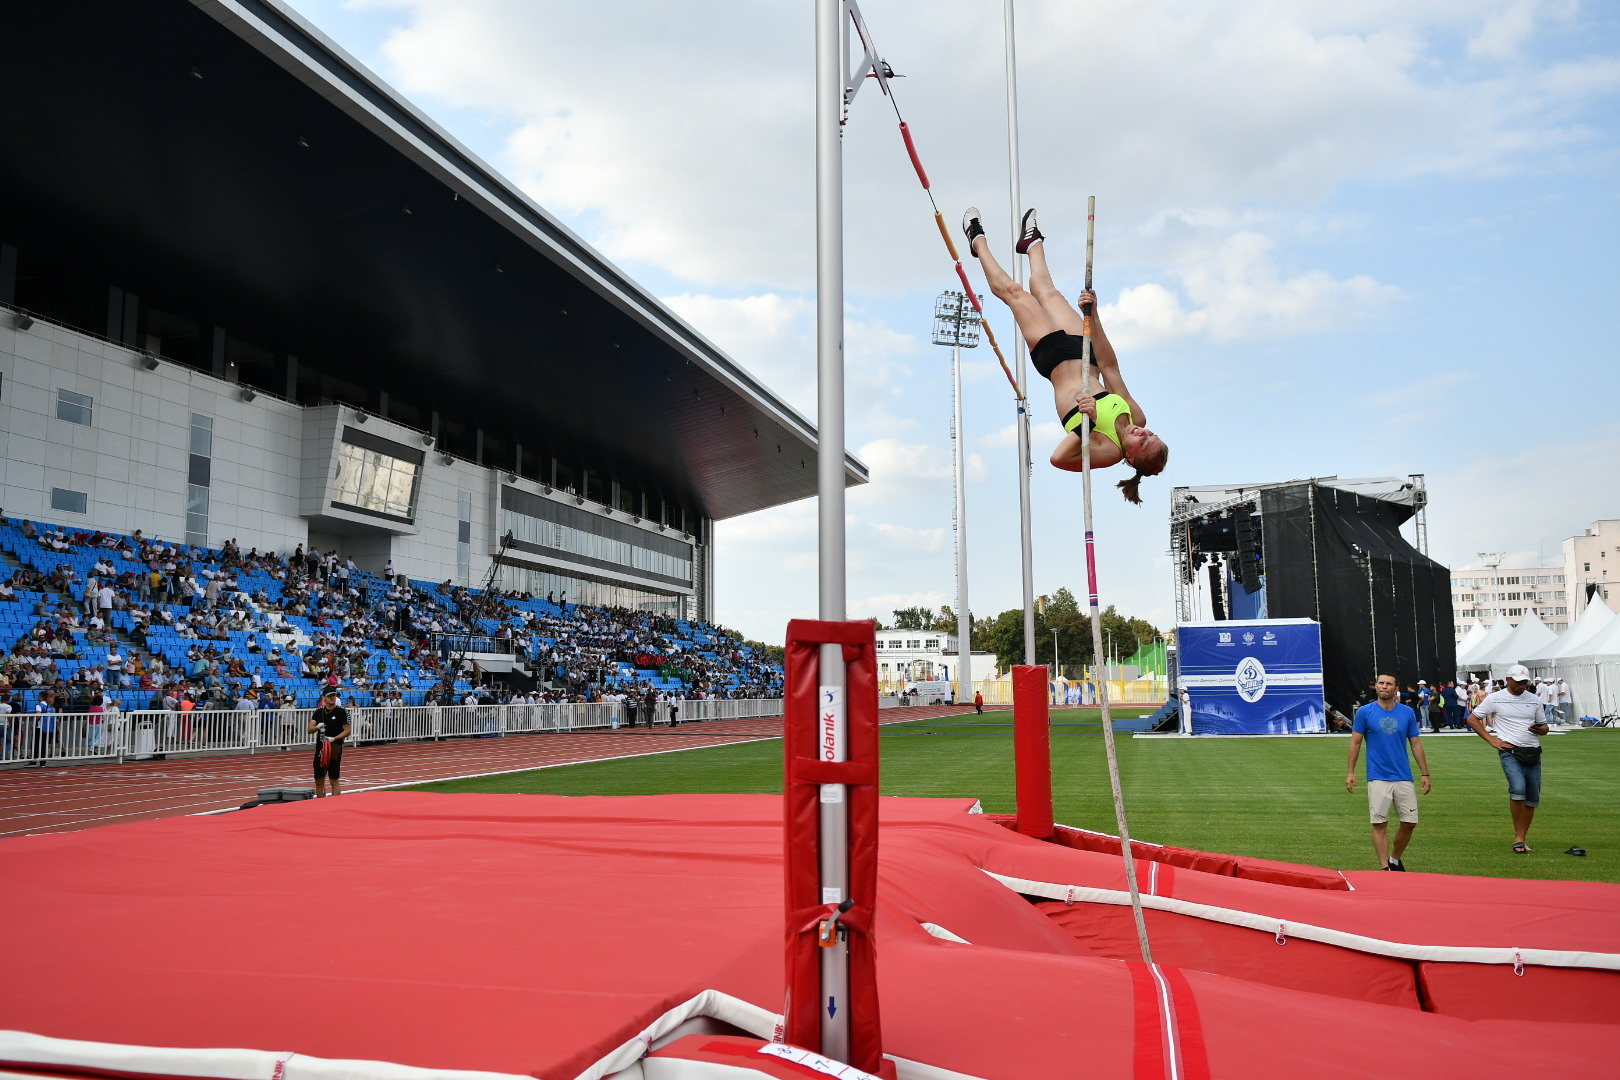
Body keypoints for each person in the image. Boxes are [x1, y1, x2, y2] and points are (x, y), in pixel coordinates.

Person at [962, 207, 1168, 503]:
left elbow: (1058, 458)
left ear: (1132, 458)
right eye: (1151, 434)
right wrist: (1093, 317)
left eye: (1142, 441)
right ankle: (1032, 243)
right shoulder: (1137, 416)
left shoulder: (1109, 452)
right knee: (1048, 291)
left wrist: (1090, 424)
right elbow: (1110, 367)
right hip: (1087, 355)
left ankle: (977, 240)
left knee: (1014, 292)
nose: (1143, 432)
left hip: (1054, 357)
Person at [1346, 674, 1431, 870]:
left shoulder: (1407, 713)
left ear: (1396, 688)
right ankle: (1385, 868)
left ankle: (1395, 859)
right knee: (1379, 824)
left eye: (1389, 684)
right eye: (1381, 683)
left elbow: (1416, 744)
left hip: (1403, 775)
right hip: (1377, 776)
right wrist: (1350, 772)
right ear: (1376, 686)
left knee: (1409, 822)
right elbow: (1355, 743)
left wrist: (1425, 773)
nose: (1384, 686)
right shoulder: (1365, 712)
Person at [1466, 663, 1548, 854]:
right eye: (1518, 682)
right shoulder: (1495, 698)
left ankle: (1521, 837)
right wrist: (1492, 741)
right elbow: (1472, 719)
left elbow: (1544, 728)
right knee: (1518, 789)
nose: (1521, 686)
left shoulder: (1534, 700)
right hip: (1509, 751)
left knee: (1532, 798)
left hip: (1533, 750)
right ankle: (1518, 838)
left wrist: (1539, 729)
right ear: (1508, 680)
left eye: (1524, 683)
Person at [308, 687, 351, 797]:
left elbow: (347, 731)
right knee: (319, 780)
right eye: (330, 695)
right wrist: (317, 726)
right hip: (320, 748)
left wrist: (334, 738)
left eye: (334, 695)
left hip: (334, 747)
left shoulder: (342, 712)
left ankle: (335, 804)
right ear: (324, 697)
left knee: (333, 779)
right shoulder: (318, 712)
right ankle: (320, 802)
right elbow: (309, 729)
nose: (332, 697)